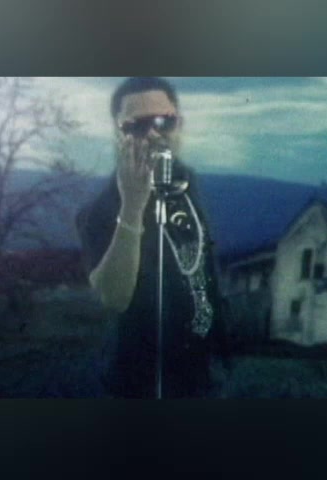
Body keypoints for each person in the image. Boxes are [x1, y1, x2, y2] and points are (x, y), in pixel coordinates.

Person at [76, 77, 229, 398]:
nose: (153, 134)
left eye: (164, 122)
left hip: (199, 380)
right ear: (118, 133)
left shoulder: (187, 186)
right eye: (137, 126)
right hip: (133, 385)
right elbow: (114, 297)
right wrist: (132, 206)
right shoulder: (99, 212)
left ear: (179, 125)